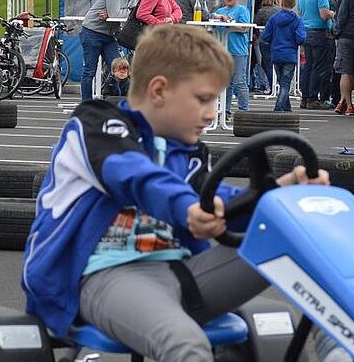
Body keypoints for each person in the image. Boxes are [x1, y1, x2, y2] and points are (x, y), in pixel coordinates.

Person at [21, 24, 331, 361]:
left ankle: (345, 349)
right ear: (158, 90)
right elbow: (137, 177)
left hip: (184, 275)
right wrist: (187, 208)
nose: (212, 114)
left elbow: (216, 204)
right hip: (101, 276)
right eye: (203, 99)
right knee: (185, 343)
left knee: (293, 237)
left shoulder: (188, 153)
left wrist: (277, 196)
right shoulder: (96, 127)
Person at [80, 0, 139, 101]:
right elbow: (117, 13)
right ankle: (87, 104)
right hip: (92, 31)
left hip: (109, 35)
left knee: (119, 67)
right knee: (90, 71)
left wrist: (119, 12)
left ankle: (117, 100)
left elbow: (129, 10)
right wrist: (120, 12)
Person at [261, 0, 306, 112]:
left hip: (276, 53)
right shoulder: (297, 20)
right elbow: (301, 38)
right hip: (290, 54)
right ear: (294, 3)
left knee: (282, 83)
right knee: (285, 84)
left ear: (281, 2)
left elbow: (265, 36)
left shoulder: (274, 18)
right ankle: (279, 107)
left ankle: (287, 108)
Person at [297, 0, 335, 110]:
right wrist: (332, 13)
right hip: (319, 33)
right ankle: (313, 98)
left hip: (306, 32)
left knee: (308, 65)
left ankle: (305, 97)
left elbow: (299, 13)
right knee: (319, 67)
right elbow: (323, 15)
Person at [212, 0, 251, 118]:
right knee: (225, 84)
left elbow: (245, 28)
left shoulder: (242, 10)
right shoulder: (219, 11)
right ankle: (225, 112)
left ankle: (243, 113)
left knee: (240, 82)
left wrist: (228, 22)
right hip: (223, 52)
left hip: (238, 51)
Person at [254, 0, 281, 94]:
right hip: (278, 40)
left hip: (265, 40)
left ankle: (271, 86)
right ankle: (278, 85)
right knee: (278, 64)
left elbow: (256, 25)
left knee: (267, 65)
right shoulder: (279, 10)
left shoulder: (261, 11)